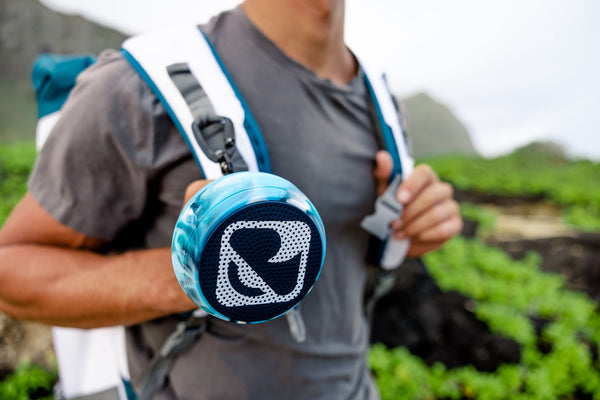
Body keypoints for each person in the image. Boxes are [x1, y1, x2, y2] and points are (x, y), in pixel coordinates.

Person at [0, 0, 462, 398]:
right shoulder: (138, 88)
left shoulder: (380, 101)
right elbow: (12, 269)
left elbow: (334, 264)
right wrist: (193, 270)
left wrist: (407, 231)